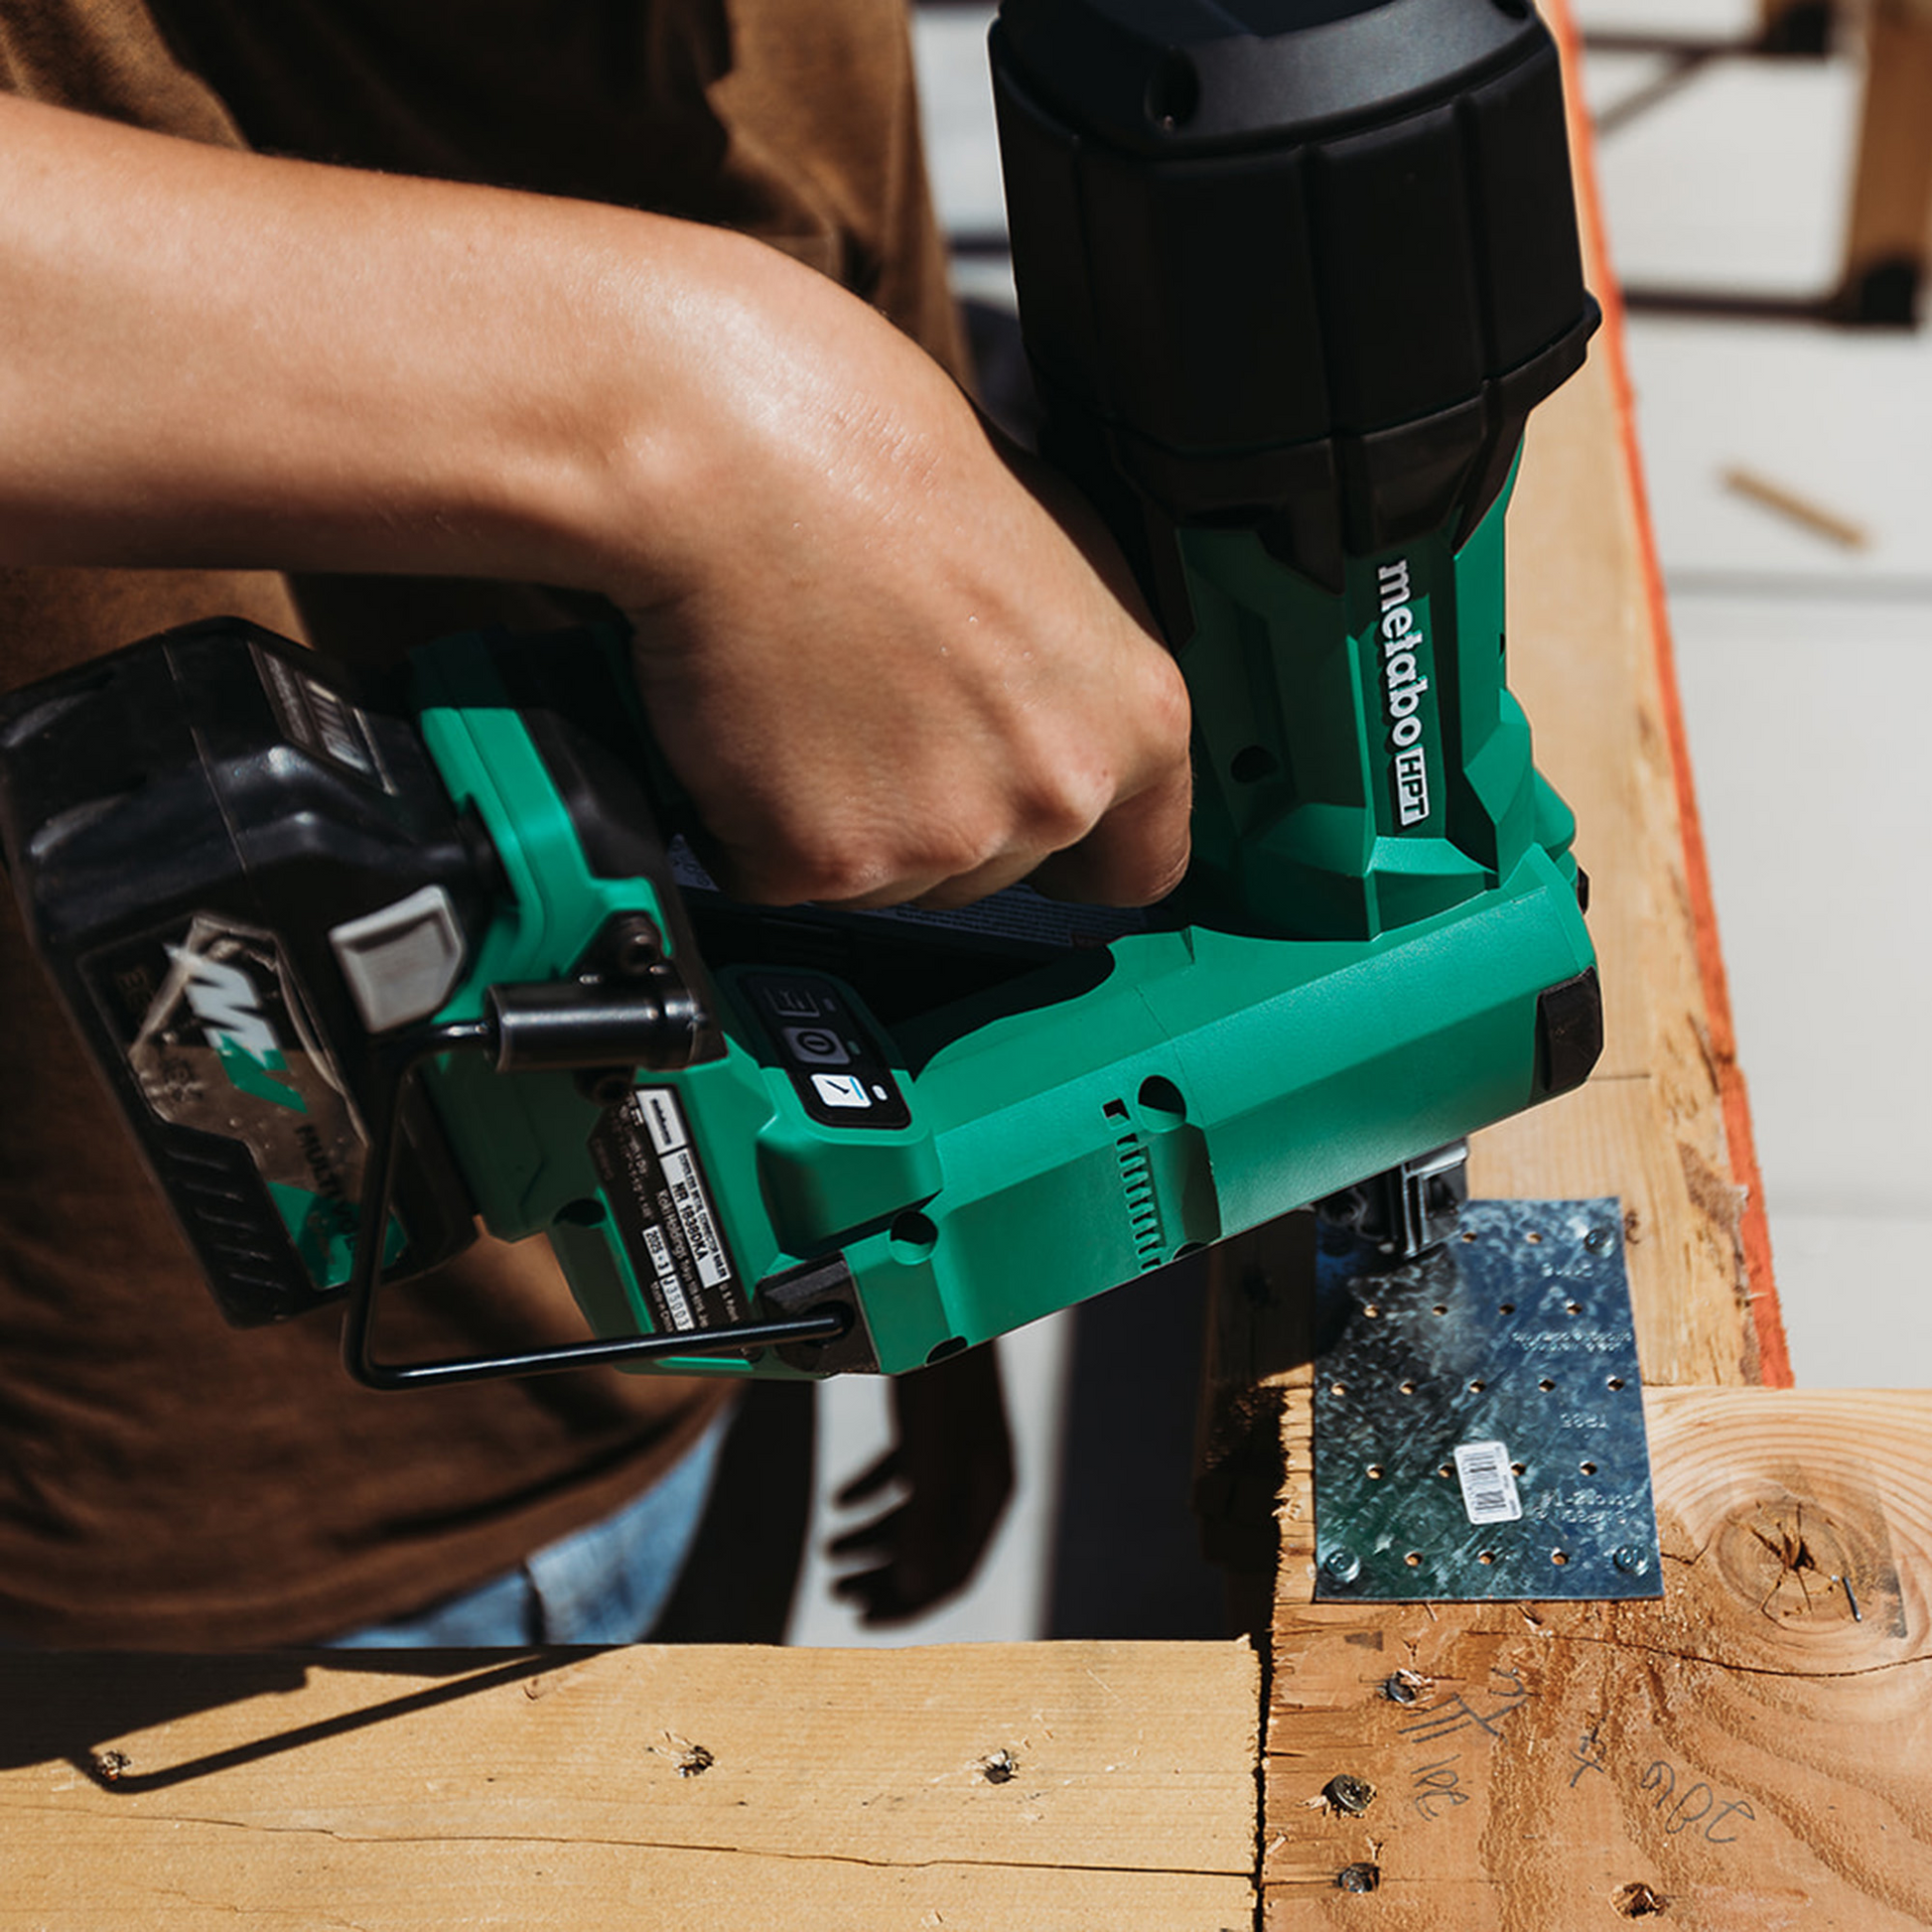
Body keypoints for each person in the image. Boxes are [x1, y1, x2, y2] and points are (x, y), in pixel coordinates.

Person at [0, 0, 1192, 1647]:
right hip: (154, 1563)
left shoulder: (780, 35)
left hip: (670, 1359)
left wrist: (956, 1304)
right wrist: (682, 411)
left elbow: (920, 781)